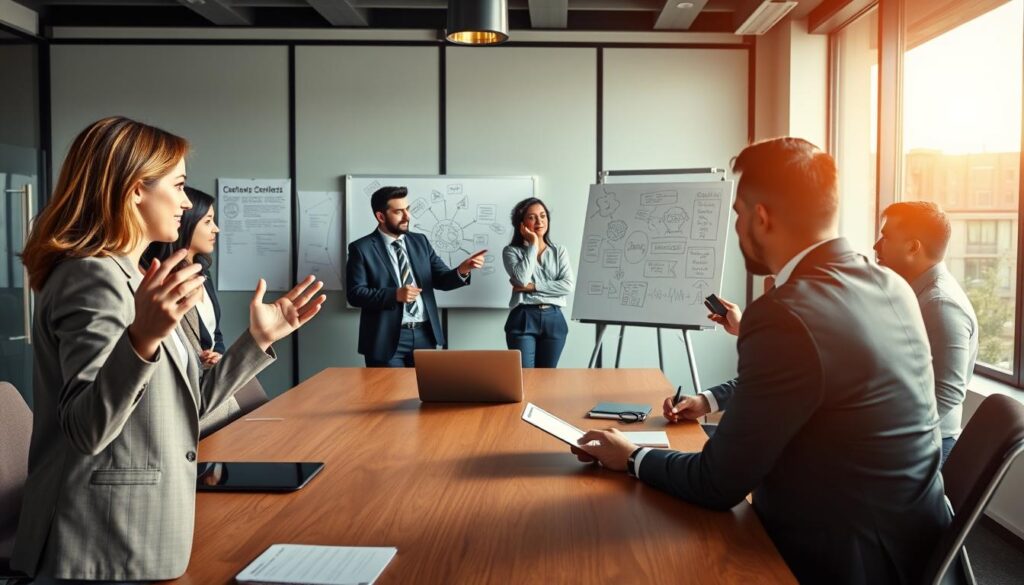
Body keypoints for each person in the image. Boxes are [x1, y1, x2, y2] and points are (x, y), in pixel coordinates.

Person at [570, 138, 951, 585]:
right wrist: (710, 400)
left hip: (841, 557)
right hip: (914, 543)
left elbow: (717, 483)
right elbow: (807, 378)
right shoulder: (891, 284)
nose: (734, 228)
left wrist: (632, 457)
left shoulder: (788, 311)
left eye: (736, 214)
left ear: (761, 217)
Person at [12, 116, 326, 581]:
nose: (185, 202)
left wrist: (257, 340)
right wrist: (142, 338)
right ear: (136, 189)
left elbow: (187, 406)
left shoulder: (138, 277)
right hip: (100, 543)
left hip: (140, 530)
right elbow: (86, 429)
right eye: (178, 186)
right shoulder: (92, 278)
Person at [875, 201, 978, 464]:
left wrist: (889, 436)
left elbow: (948, 391)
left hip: (927, 446)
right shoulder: (911, 291)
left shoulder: (941, 304)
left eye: (885, 237)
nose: (876, 246)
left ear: (913, 247)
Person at [346, 186, 485, 367]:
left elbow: (441, 278)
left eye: (408, 209)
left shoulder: (420, 241)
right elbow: (355, 294)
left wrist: (462, 270)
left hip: (424, 335)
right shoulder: (361, 248)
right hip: (385, 339)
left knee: (425, 394)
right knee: (388, 394)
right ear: (381, 217)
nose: (407, 216)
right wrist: (394, 295)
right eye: (399, 212)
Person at [142, 185, 239, 436]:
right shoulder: (162, 284)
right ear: (187, 225)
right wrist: (199, 359)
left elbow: (214, 335)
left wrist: (217, 356)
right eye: (208, 221)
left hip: (209, 387)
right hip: (188, 404)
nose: (216, 229)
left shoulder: (202, 273)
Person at [502, 197, 575, 367]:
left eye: (543, 216)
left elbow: (567, 285)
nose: (539, 221)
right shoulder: (511, 252)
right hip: (523, 317)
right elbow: (521, 279)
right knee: (525, 377)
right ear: (521, 223)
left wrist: (533, 287)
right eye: (532, 217)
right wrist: (533, 243)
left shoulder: (559, 251)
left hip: (554, 318)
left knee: (547, 377)